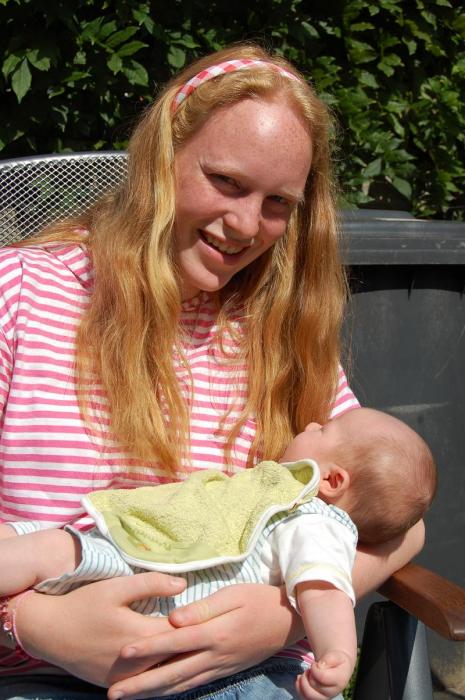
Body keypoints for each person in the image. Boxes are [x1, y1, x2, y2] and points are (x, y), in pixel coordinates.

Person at [0, 43, 426, 700]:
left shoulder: (278, 333)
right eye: (225, 182)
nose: (246, 224)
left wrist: (279, 619)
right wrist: (30, 625)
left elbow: (399, 521)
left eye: (277, 202)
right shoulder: (21, 297)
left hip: (243, 677)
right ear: (161, 156)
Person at [0, 408, 436, 700]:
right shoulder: (273, 493)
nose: (308, 425)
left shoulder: (316, 522)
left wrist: (335, 651)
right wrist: (31, 621)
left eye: (322, 431)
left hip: (186, 627)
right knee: (49, 544)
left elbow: (324, 590)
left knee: (53, 549)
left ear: (333, 480)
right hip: (126, 594)